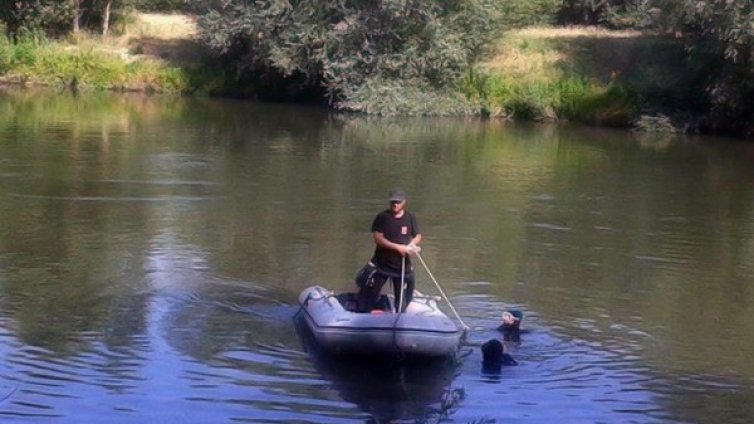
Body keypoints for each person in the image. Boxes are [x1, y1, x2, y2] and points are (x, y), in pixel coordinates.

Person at [356, 189, 421, 313]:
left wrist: (412, 244)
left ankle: (400, 318)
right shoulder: (382, 217)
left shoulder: (410, 218)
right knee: (371, 294)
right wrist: (398, 248)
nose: (395, 205)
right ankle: (365, 313)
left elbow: (418, 235)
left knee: (401, 300)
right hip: (382, 265)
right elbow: (378, 239)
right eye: (392, 202)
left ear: (404, 203)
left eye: (398, 202)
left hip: (402, 267)